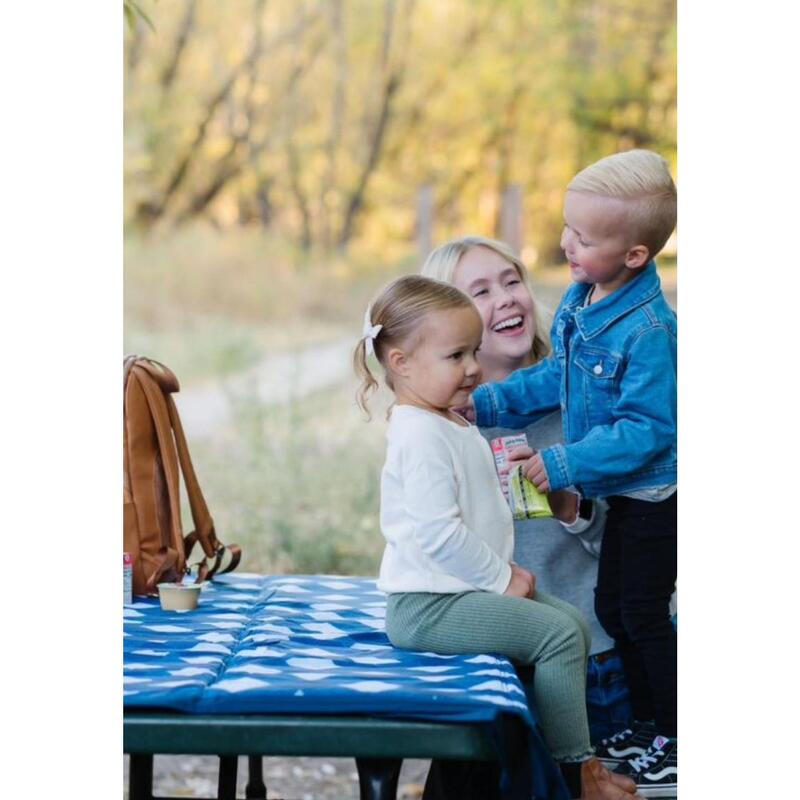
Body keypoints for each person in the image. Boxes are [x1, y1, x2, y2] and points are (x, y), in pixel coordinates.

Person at [353, 274, 641, 800]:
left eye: (474, 352)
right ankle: (576, 773)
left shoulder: (443, 420)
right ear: (401, 363)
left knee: (571, 624)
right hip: (427, 606)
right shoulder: (419, 433)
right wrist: (500, 576)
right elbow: (438, 533)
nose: (473, 368)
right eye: (456, 356)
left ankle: (580, 765)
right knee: (555, 637)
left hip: (454, 593)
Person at [469, 150, 678, 797]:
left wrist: (559, 470)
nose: (565, 244)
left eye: (583, 238)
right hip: (513, 643)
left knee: (638, 610)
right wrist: (486, 404)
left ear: (635, 255)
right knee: (621, 606)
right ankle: (650, 727)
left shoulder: (646, 332)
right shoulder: (581, 300)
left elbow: (651, 430)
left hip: (649, 496)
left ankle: (672, 733)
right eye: (567, 228)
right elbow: (551, 378)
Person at [423, 236, 633, 744]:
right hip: (493, 667)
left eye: (511, 280)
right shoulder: (439, 427)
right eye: (480, 291)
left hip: (596, 663)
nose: (506, 298)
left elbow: (644, 547)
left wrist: (568, 504)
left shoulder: (585, 401)